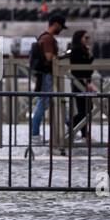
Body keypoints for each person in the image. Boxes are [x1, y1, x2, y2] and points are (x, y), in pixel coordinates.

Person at [29, 12, 66, 142]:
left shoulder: (42, 37)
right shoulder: (48, 39)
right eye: (61, 27)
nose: (61, 30)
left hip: (45, 74)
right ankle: (34, 133)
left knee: (50, 101)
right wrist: (62, 57)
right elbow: (49, 57)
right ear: (55, 24)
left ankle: (69, 126)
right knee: (43, 102)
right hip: (47, 74)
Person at [67, 29, 95, 140]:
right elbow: (78, 70)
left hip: (84, 81)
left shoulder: (84, 50)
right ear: (80, 38)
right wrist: (85, 82)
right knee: (84, 109)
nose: (88, 40)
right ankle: (73, 124)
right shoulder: (76, 50)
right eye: (86, 38)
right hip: (79, 82)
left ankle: (82, 131)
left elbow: (87, 68)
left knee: (87, 108)